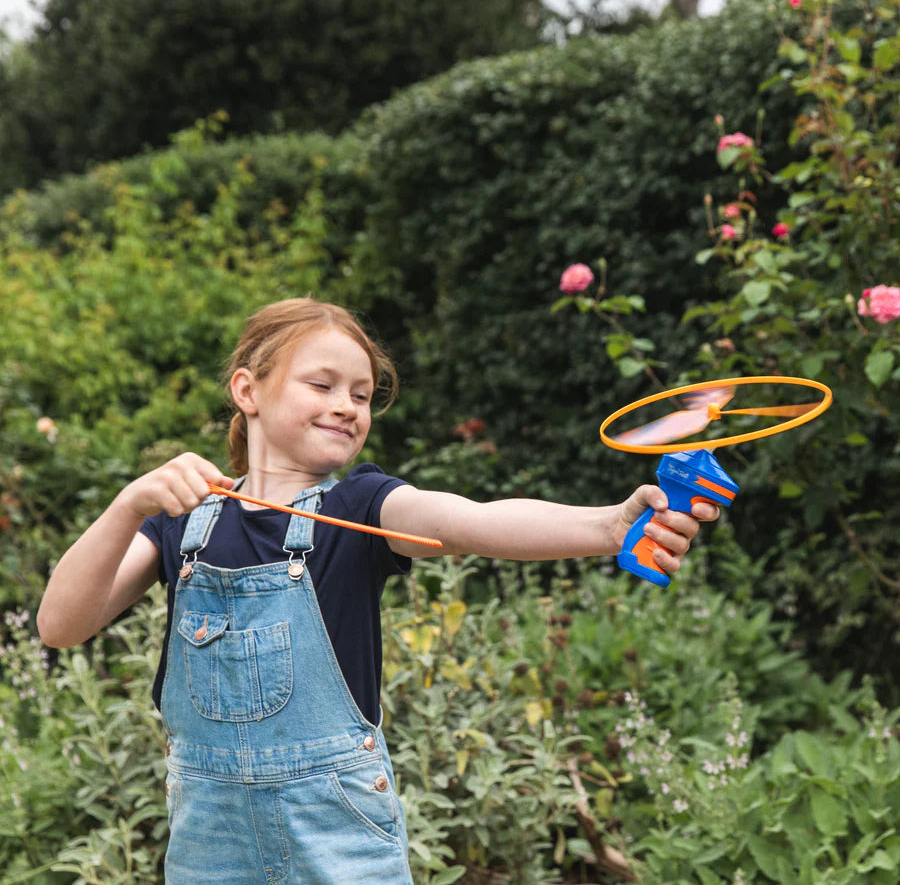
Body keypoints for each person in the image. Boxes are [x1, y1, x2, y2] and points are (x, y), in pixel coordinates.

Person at [37, 297, 719, 884]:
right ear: (248, 391)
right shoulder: (181, 522)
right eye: (323, 385)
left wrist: (608, 524)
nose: (346, 406)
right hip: (207, 846)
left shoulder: (363, 504)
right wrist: (127, 505)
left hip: (339, 837)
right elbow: (60, 625)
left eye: (361, 395)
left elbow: (469, 522)